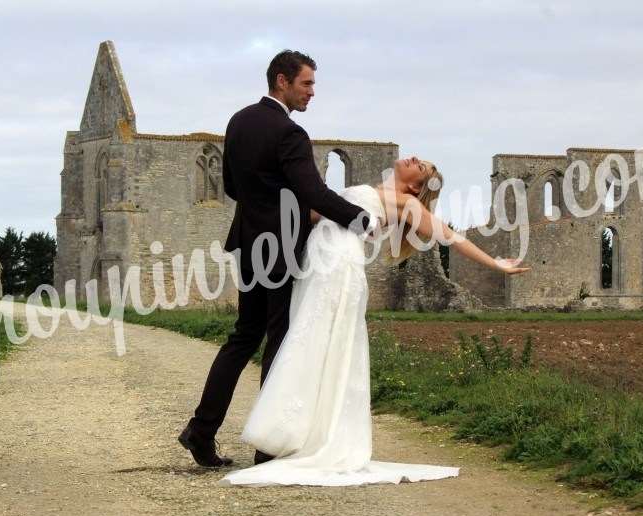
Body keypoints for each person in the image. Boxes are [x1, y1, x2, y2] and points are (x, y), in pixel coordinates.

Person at [217, 156, 530, 487]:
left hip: (338, 269)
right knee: (304, 343)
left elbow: (449, 236)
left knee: (317, 344)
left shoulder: (406, 202)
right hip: (315, 264)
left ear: (415, 185)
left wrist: (496, 264)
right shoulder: (371, 190)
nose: (412, 158)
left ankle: (299, 437)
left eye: (420, 166)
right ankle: (290, 434)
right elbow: (318, 213)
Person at [178, 50, 376, 468]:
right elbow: (314, 193)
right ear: (282, 81)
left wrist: (267, 207)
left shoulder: (238, 121)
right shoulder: (290, 133)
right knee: (279, 341)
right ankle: (267, 448)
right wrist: (361, 220)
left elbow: (233, 186)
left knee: (243, 336)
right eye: (307, 84)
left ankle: (201, 430)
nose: (312, 93)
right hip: (283, 248)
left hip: (251, 242)